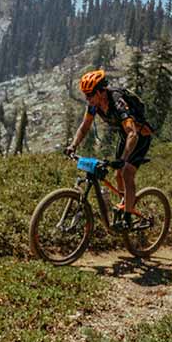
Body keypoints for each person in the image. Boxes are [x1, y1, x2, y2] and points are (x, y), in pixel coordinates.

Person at [66, 69, 156, 229]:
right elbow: (84, 126)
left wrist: (123, 159)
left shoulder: (117, 102)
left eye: (90, 94)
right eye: (85, 95)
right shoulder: (94, 105)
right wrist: (73, 145)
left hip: (139, 136)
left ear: (101, 91)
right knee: (117, 175)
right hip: (125, 136)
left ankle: (128, 216)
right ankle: (124, 203)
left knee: (127, 172)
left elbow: (133, 134)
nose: (87, 98)